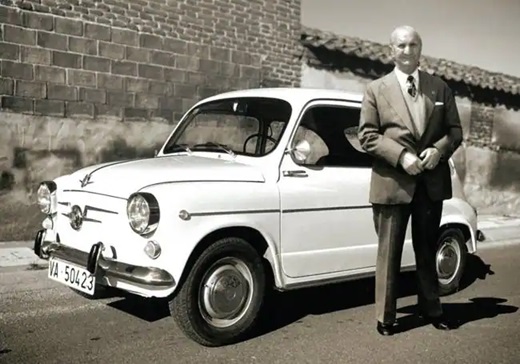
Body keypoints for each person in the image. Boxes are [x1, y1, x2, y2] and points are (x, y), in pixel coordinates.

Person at [358, 25, 463, 336]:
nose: (407, 50)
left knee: (427, 249)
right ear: (391, 51)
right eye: (401, 45)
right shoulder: (376, 89)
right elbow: (367, 135)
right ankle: (386, 317)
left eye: (413, 44)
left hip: (431, 184)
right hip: (392, 182)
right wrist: (402, 156)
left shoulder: (440, 88)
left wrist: (438, 150)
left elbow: (455, 131)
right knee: (388, 253)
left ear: (421, 49)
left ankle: (432, 308)